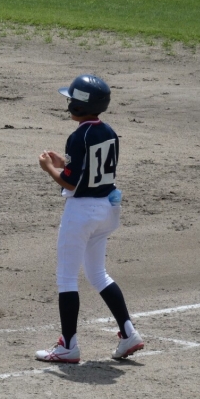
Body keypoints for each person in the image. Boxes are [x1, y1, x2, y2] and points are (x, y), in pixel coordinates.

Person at [35, 74, 144, 363]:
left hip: (82, 213)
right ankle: (129, 333)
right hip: (107, 210)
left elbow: (71, 183)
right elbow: (91, 170)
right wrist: (65, 163)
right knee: (98, 274)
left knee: (66, 277)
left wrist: (49, 168)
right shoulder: (109, 132)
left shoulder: (77, 136)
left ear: (79, 106)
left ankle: (68, 346)